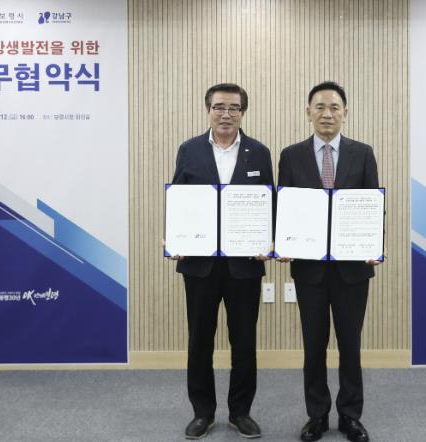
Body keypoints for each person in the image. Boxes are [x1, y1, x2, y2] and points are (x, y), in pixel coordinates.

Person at [277, 81, 382, 442]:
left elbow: (373, 204)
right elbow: (284, 207)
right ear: (308, 112)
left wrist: (374, 243)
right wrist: (283, 240)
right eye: (319, 107)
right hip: (310, 270)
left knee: (350, 345)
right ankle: (317, 415)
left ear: (345, 114)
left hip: (352, 269)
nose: (327, 114)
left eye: (334, 107)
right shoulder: (291, 156)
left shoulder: (362, 153)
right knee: (313, 345)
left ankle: (350, 416)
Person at [168, 83, 274, 439]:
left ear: (242, 112)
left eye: (233, 108)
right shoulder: (189, 150)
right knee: (200, 339)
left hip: (245, 264)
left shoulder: (259, 153)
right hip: (200, 265)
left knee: (244, 341)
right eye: (219, 107)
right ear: (208, 110)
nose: (226, 114)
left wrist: (270, 240)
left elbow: (269, 204)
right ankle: (203, 412)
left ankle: (241, 412)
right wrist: (175, 238)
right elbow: (178, 199)